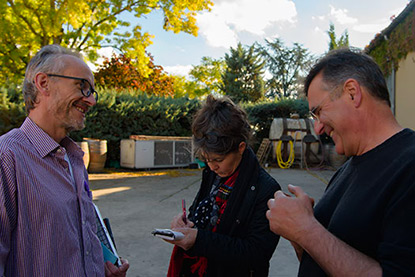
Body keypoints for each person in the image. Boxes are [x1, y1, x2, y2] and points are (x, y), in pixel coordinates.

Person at [266, 48, 415, 276]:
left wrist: (306, 229)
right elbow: (322, 261)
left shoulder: (409, 165)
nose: (317, 128)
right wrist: (298, 233)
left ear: (352, 93)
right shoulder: (347, 168)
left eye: (318, 112)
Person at [0, 45, 129, 276]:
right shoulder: (7, 156)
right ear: (43, 83)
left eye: (92, 92)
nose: (91, 101)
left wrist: (99, 269)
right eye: (82, 86)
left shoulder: (74, 158)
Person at [166, 95, 281, 277]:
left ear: (241, 147)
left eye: (218, 159)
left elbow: (257, 255)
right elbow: (199, 210)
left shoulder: (266, 190)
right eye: (207, 159)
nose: (212, 166)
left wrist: (199, 240)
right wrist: (185, 224)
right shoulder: (214, 173)